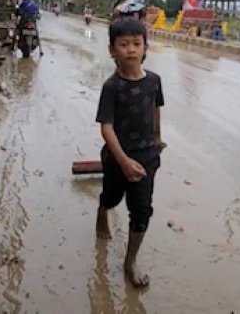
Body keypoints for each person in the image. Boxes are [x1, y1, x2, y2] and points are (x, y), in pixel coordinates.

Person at [95, 17, 165, 287]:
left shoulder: (155, 81)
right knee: (112, 197)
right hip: (117, 157)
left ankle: (130, 261)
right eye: (124, 44)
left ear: (145, 48)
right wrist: (123, 160)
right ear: (112, 50)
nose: (131, 50)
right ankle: (103, 211)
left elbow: (156, 108)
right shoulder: (112, 87)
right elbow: (106, 129)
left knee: (142, 210)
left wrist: (158, 138)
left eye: (137, 43)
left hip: (147, 156)